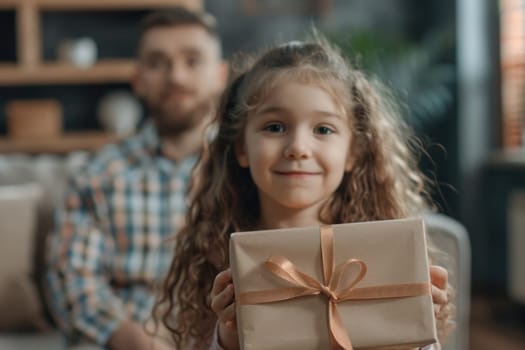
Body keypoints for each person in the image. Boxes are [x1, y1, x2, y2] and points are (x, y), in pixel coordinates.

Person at [155, 37, 453, 350]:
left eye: (323, 129)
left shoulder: (385, 254)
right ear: (242, 146)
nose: (298, 148)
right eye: (274, 127)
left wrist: (416, 327)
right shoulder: (214, 253)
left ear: (354, 151)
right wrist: (227, 339)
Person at [45, 7, 227, 350]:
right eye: (158, 62)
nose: (176, 76)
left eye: (193, 60)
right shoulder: (99, 175)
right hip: (127, 338)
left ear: (220, 75)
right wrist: (134, 340)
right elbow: (71, 280)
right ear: (138, 80)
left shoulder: (247, 167)